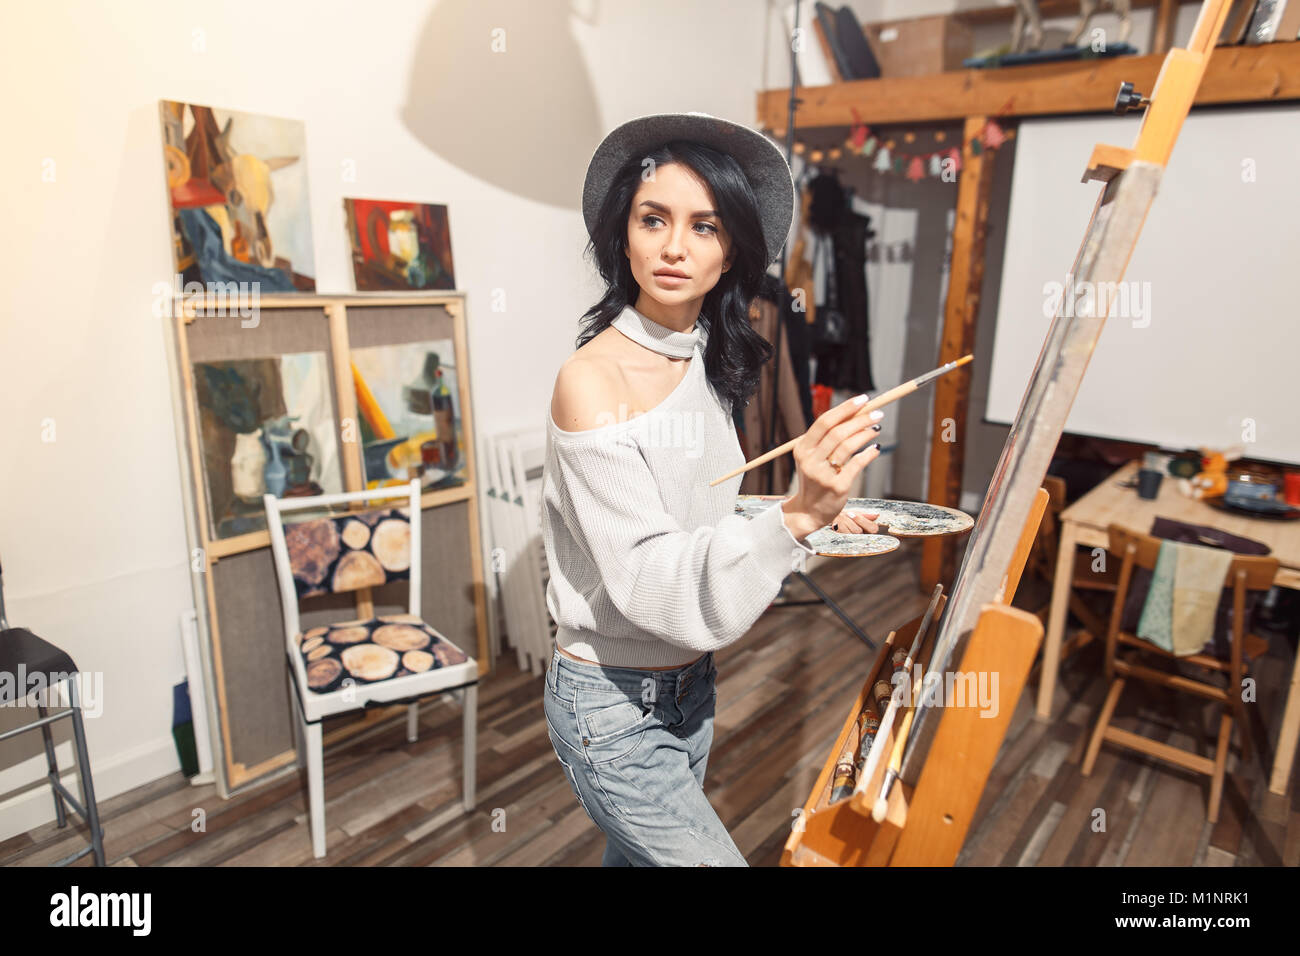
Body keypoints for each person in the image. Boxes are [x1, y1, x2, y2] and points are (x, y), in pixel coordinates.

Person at [540, 112, 885, 866]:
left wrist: (819, 515)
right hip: (610, 705)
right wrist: (794, 516)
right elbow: (650, 578)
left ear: (731, 253)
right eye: (653, 219)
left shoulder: (703, 358)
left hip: (690, 687)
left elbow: (706, 508)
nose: (673, 247)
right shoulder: (590, 383)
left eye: (704, 226)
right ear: (620, 234)